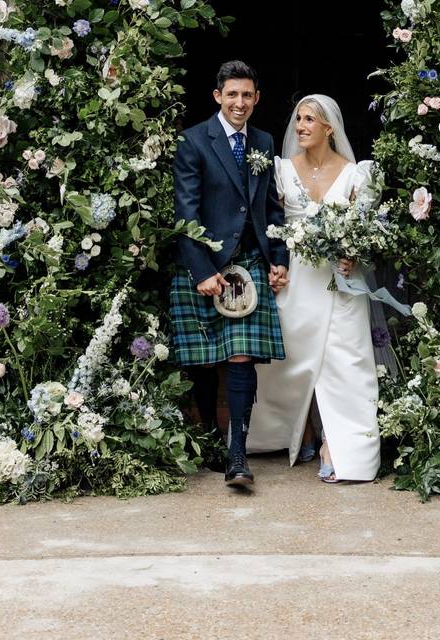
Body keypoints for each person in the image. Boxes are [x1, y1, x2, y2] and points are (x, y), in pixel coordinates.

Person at [247, 95, 381, 483]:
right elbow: (267, 222)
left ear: (329, 128)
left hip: (339, 282)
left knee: (345, 361)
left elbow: (366, 231)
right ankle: (293, 430)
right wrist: (274, 264)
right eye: (298, 119)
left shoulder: (357, 174)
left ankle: (338, 446)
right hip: (295, 278)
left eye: (310, 120)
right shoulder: (281, 170)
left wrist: (354, 254)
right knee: (290, 357)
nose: (301, 126)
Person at [169, 61, 289, 487]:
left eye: (248, 95)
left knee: (241, 355)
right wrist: (201, 269)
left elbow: (270, 208)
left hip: (251, 264)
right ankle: (211, 440)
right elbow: (186, 210)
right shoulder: (194, 141)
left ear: (257, 99)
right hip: (205, 263)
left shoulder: (263, 141)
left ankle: (238, 454)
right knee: (204, 362)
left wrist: (279, 258)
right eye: (232, 94)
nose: (240, 102)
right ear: (217, 95)